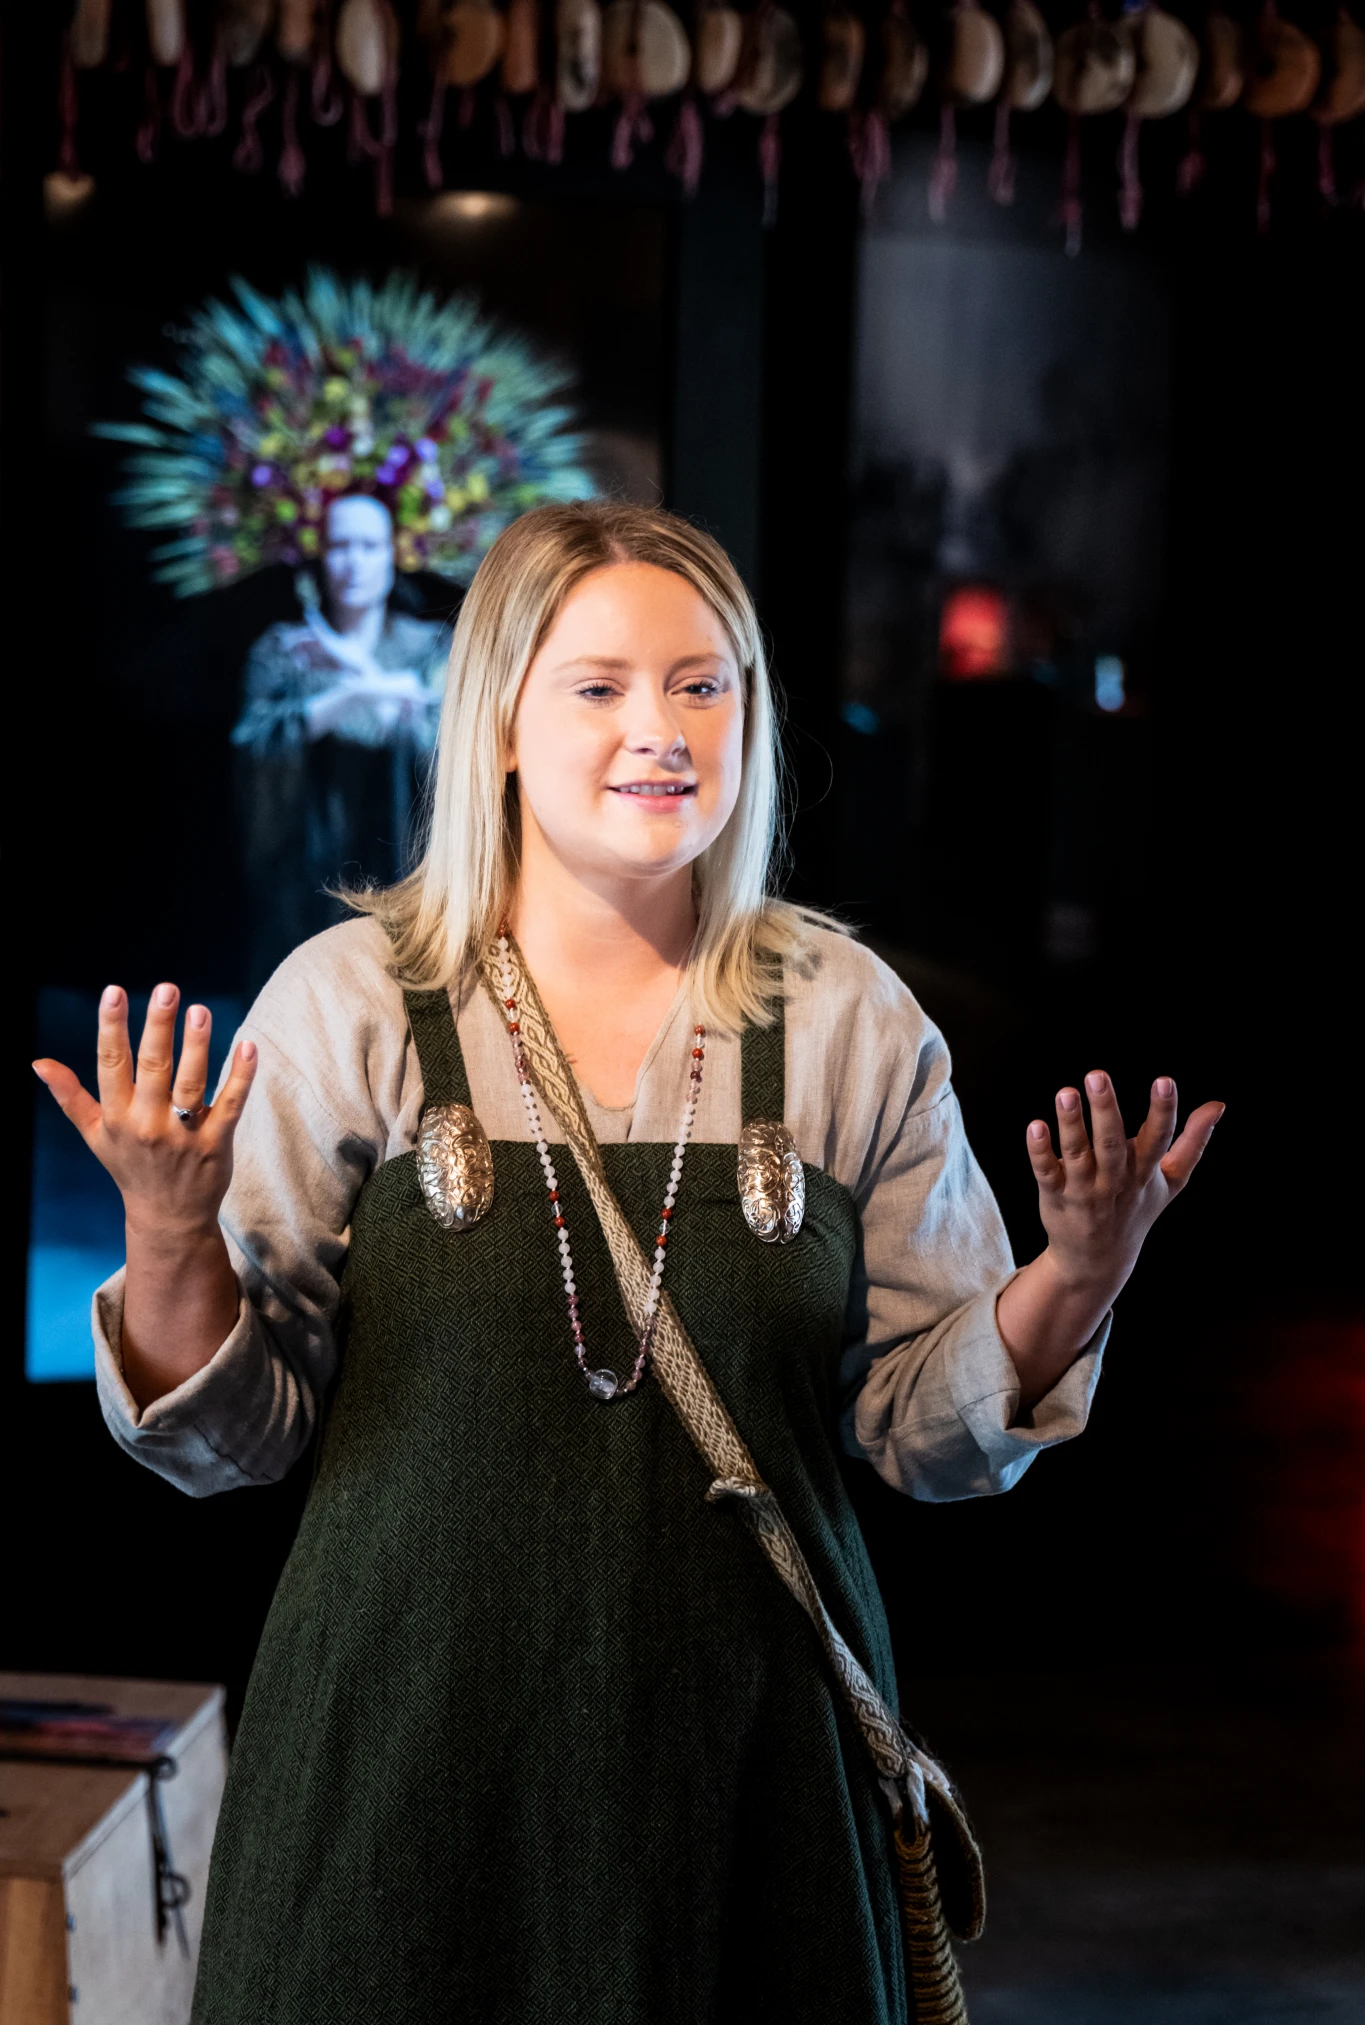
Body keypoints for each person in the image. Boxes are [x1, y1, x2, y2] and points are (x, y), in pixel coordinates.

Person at [33, 502, 1221, 2025]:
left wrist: (1078, 1273)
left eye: (700, 684)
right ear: (499, 723)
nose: (659, 729)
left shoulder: (845, 1018)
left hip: (752, 1789)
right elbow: (233, 1440)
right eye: (598, 685)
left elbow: (926, 1437)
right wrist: (167, 1230)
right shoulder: (353, 1005)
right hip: (398, 1785)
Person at [231, 492, 451, 986]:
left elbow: (449, 749)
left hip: (406, 869)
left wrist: (358, 671)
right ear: (320, 556)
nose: (355, 562)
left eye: (369, 546)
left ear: (392, 554)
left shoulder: (430, 646)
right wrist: (354, 693)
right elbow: (255, 747)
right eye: (340, 546)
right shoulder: (286, 650)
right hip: (309, 876)